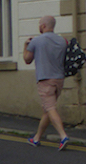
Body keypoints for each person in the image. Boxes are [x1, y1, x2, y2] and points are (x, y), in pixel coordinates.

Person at [23, 15, 70, 150]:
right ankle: (36, 138)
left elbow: (27, 59)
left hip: (45, 79)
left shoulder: (36, 41)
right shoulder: (62, 41)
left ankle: (63, 136)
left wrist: (25, 45)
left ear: (43, 26)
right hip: (59, 79)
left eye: (39, 24)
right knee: (47, 110)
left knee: (50, 108)